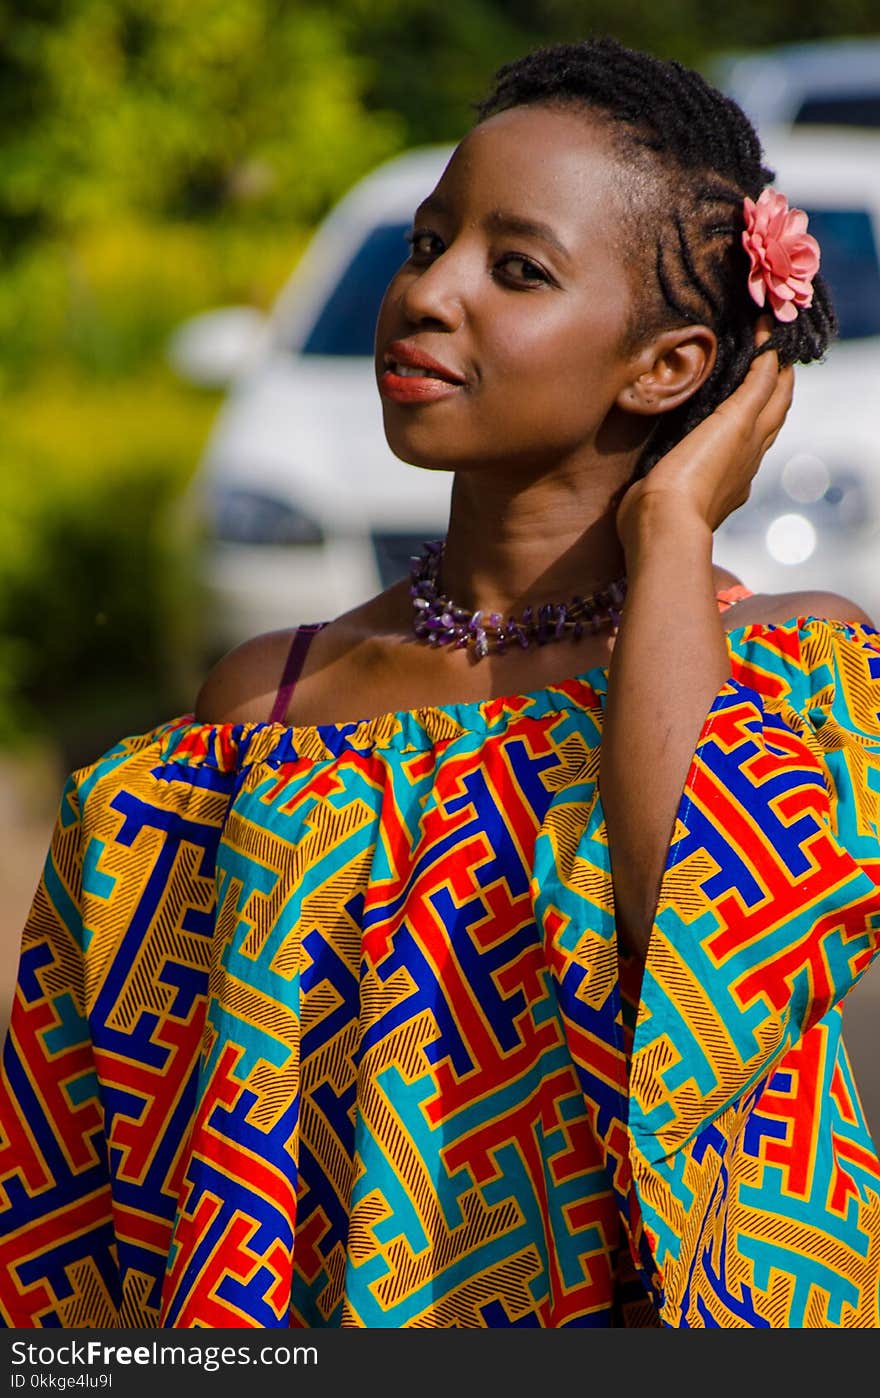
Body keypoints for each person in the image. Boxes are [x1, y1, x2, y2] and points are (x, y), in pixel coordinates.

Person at [2, 35, 879, 1331]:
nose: (429, 292)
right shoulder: (269, 700)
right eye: (427, 244)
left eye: (515, 269)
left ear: (671, 365)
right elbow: (121, 1142)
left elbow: (699, 944)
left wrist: (678, 520)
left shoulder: (794, 664)